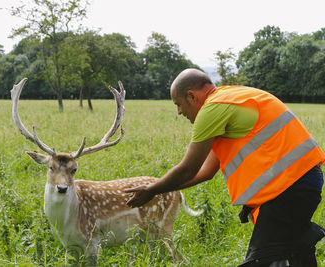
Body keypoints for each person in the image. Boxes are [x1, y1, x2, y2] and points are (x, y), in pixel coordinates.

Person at [125, 68, 325, 266]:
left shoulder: (213, 108)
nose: (179, 112)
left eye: (178, 105)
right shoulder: (229, 99)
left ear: (191, 96)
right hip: (301, 184)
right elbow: (205, 172)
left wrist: (152, 189)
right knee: (296, 254)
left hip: (289, 190)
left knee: (264, 259)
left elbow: (189, 168)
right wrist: (162, 188)